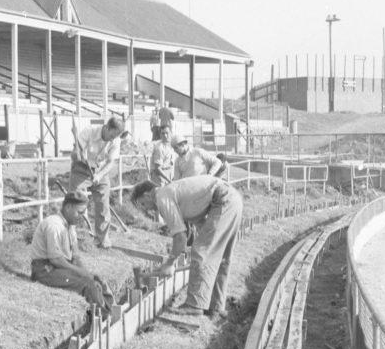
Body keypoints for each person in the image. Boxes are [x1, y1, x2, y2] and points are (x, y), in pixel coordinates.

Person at [131, 175, 243, 318]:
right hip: (232, 200)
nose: (146, 209)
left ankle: (194, 305)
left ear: (147, 195)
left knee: (201, 252)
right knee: (219, 257)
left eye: (142, 204)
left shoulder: (161, 197)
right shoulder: (173, 193)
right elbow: (199, 226)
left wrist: (170, 263)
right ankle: (215, 307)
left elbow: (180, 236)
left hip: (223, 200)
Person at [30, 190, 117, 315]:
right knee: (88, 285)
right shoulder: (54, 225)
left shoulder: (70, 227)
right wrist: (81, 273)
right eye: (79, 212)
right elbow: (56, 259)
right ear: (68, 207)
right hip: (45, 271)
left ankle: (112, 311)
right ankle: (105, 319)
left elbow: (75, 256)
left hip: (59, 268)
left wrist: (87, 273)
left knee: (98, 280)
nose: (82, 216)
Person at [68, 115, 124, 249]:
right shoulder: (89, 131)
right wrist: (78, 154)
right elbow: (74, 155)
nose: (113, 138)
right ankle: (71, 237)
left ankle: (102, 239)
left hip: (100, 170)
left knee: (103, 206)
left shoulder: (115, 141)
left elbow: (110, 162)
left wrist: (99, 175)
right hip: (81, 169)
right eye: (113, 134)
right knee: (75, 203)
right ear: (107, 127)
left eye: (117, 136)